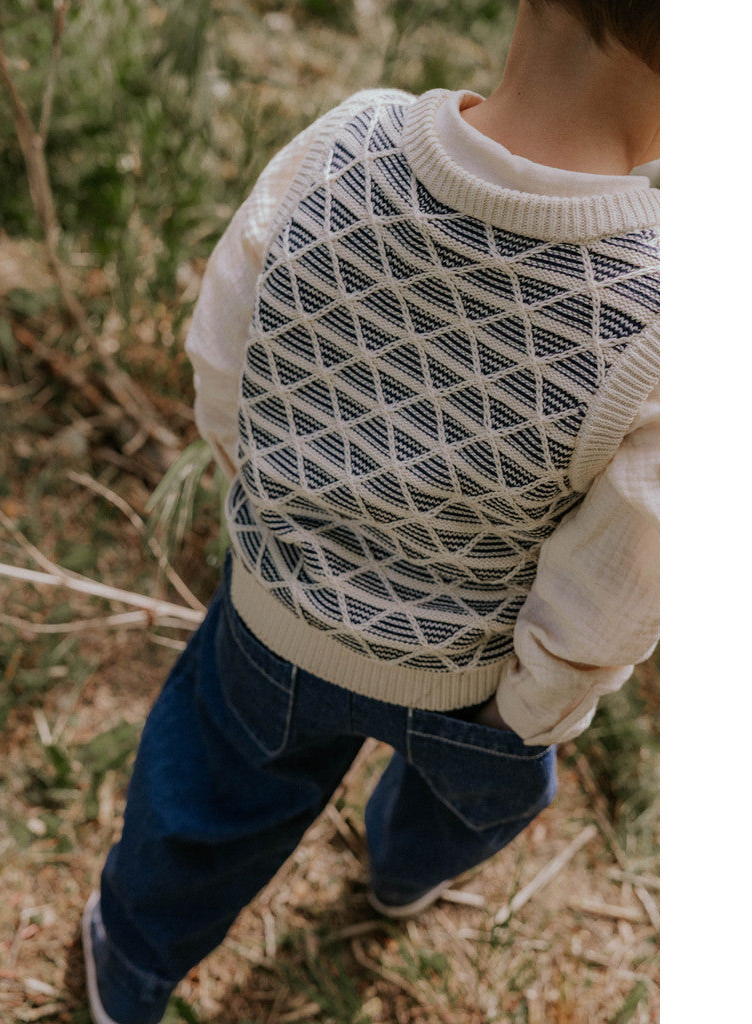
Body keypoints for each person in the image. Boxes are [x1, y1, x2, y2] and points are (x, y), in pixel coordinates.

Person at [82, 2, 660, 1021]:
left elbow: (224, 349)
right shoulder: (665, 308)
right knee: (465, 802)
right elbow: (623, 575)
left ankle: (128, 962)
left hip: (274, 615)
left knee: (207, 798)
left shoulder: (341, 145)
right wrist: (531, 713)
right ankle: (400, 869)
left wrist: (269, 503)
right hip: (472, 684)